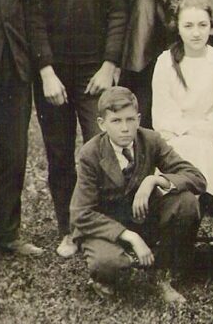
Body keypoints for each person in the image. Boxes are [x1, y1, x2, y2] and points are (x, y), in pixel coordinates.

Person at [29, 0, 128, 258]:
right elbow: (33, 17)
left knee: (100, 149)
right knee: (58, 154)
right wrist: (46, 70)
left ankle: (103, 227)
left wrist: (109, 64)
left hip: (94, 71)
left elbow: (119, 12)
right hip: (55, 73)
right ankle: (69, 229)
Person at [69, 87, 204, 304]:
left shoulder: (150, 140)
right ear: (102, 124)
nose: (125, 128)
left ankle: (161, 273)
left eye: (130, 119)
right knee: (110, 264)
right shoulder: (90, 153)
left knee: (186, 203)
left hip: (141, 217)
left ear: (139, 119)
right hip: (106, 227)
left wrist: (154, 180)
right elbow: (81, 213)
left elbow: (196, 177)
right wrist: (129, 236)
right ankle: (106, 274)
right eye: (116, 121)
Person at [151, 0, 213, 269]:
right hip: (176, 139)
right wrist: (191, 132)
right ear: (177, 27)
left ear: (210, 27)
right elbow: (163, 116)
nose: (196, 32)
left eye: (202, 25)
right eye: (188, 25)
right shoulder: (165, 62)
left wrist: (204, 132)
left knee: (209, 151)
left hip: (212, 137)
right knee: (196, 150)